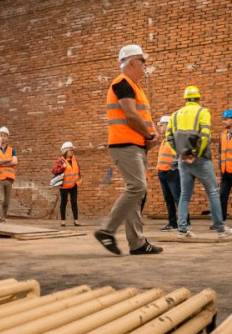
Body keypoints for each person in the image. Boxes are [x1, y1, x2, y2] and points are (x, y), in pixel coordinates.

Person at [94, 44, 163, 256]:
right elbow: (131, 116)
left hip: (136, 146)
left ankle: (137, 243)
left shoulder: (135, 87)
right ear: (131, 62)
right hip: (125, 145)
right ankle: (107, 230)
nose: (145, 65)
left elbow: (140, 117)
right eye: (142, 61)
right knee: (137, 187)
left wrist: (152, 137)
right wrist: (149, 135)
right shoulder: (122, 83)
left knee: (137, 192)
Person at [167, 87, 232, 237]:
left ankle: (182, 229)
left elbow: (168, 138)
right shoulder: (203, 112)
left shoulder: (175, 115)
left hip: (183, 161)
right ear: (198, 99)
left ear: (185, 100)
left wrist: (180, 155)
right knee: (212, 192)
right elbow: (205, 136)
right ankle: (220, 228)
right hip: (201, 159)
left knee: (184, 195)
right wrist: (195, 154)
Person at [155, 115, 180, 232]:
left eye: (161, 125)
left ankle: (185, 222)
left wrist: (173, 167)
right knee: (168, 199)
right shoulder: (165, 139)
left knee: (178, 198)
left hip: (171, 172)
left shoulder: (175, 138)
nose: (160, 128)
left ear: (168, 125)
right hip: (163, 171)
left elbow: (179, 155)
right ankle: (173, 223)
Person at [56, 141, 81, 227]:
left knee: (74, 202)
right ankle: (63, 221)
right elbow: (54, 171)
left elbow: (78, 169)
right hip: (64, 185)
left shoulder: (74, 159)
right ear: (65, 151)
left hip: (74, 184)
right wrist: (62, 168)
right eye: (70, 150)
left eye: (72, 150)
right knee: (64, 202)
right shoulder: (60, 161)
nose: (72, 152)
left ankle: (76, 221)